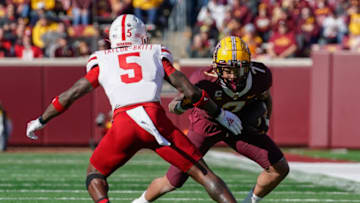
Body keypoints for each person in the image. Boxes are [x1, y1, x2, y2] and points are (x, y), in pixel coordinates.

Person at [26, 14, 243, 203]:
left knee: (95, 174)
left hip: (123, 124)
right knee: (204, 174)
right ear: (140, 36)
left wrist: (40, 121)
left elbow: (70, 94)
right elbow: (192, 92)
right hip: (155, 121)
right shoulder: (155, 52)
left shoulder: (102, 60)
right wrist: (221, 115)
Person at [132, 36, 290, 203]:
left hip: (239, 125)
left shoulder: (261, 76)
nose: (232, 75)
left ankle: (249, 201)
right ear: (216, 67)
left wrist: (266, 119)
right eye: (227, 70)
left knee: (279, 168)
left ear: (248, 66)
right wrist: (182, 104)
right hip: (206, 125)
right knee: (173, 180)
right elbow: (174, 105)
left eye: (238, 69)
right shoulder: (205, 79)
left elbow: (265, 97)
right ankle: (140, 201)